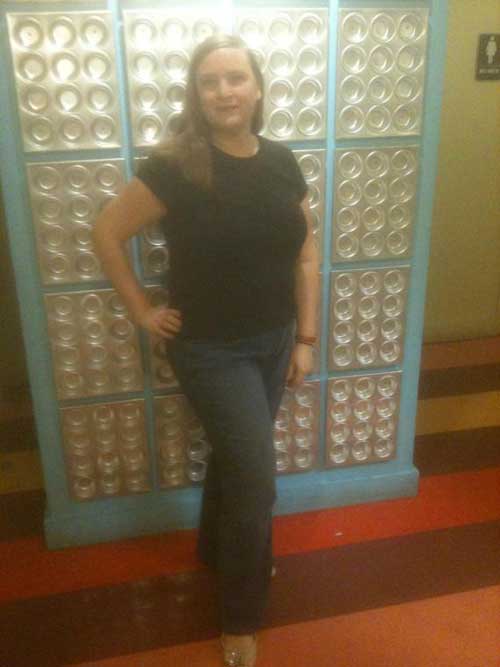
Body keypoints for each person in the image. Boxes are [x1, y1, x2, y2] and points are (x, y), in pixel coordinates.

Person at [93, 33, 319, 667]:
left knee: (237, 459)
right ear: (197, 94)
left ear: (257, 88)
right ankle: (241, 617)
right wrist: (142, 311)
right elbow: (106, 231)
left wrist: (305, 339)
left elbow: (305, 252)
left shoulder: (282, 161)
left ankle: (217, 552)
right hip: (211, 351)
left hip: (274, 340)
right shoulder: (174, 165)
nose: (224, 91)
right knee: (256, 479)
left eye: (236, 78)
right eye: (210, 81)